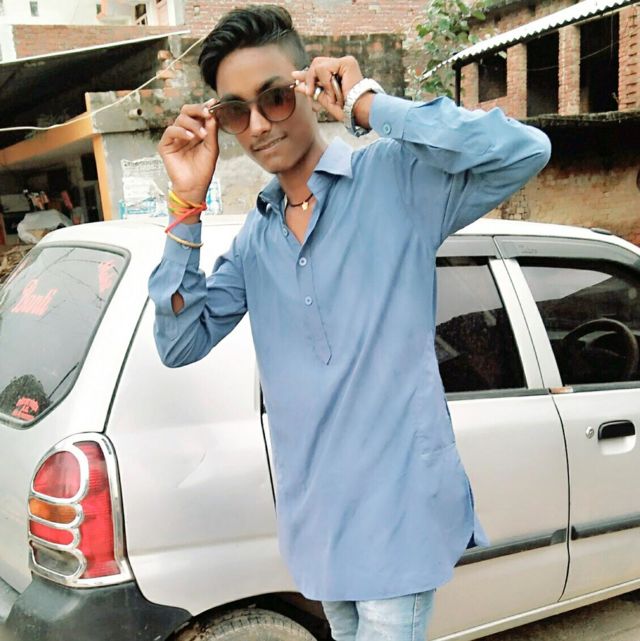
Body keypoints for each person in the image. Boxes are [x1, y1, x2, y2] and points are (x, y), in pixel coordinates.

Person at [148, 5, 551, 640]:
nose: (259, 124)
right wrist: (185, 204)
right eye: (236, 111)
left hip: (399, 514)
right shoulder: (256, 237)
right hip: (318, 526)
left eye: (275, 97)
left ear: (310, 85)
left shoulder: (394, 179)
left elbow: (524, 150)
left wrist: (368, 103)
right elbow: (179, 341)